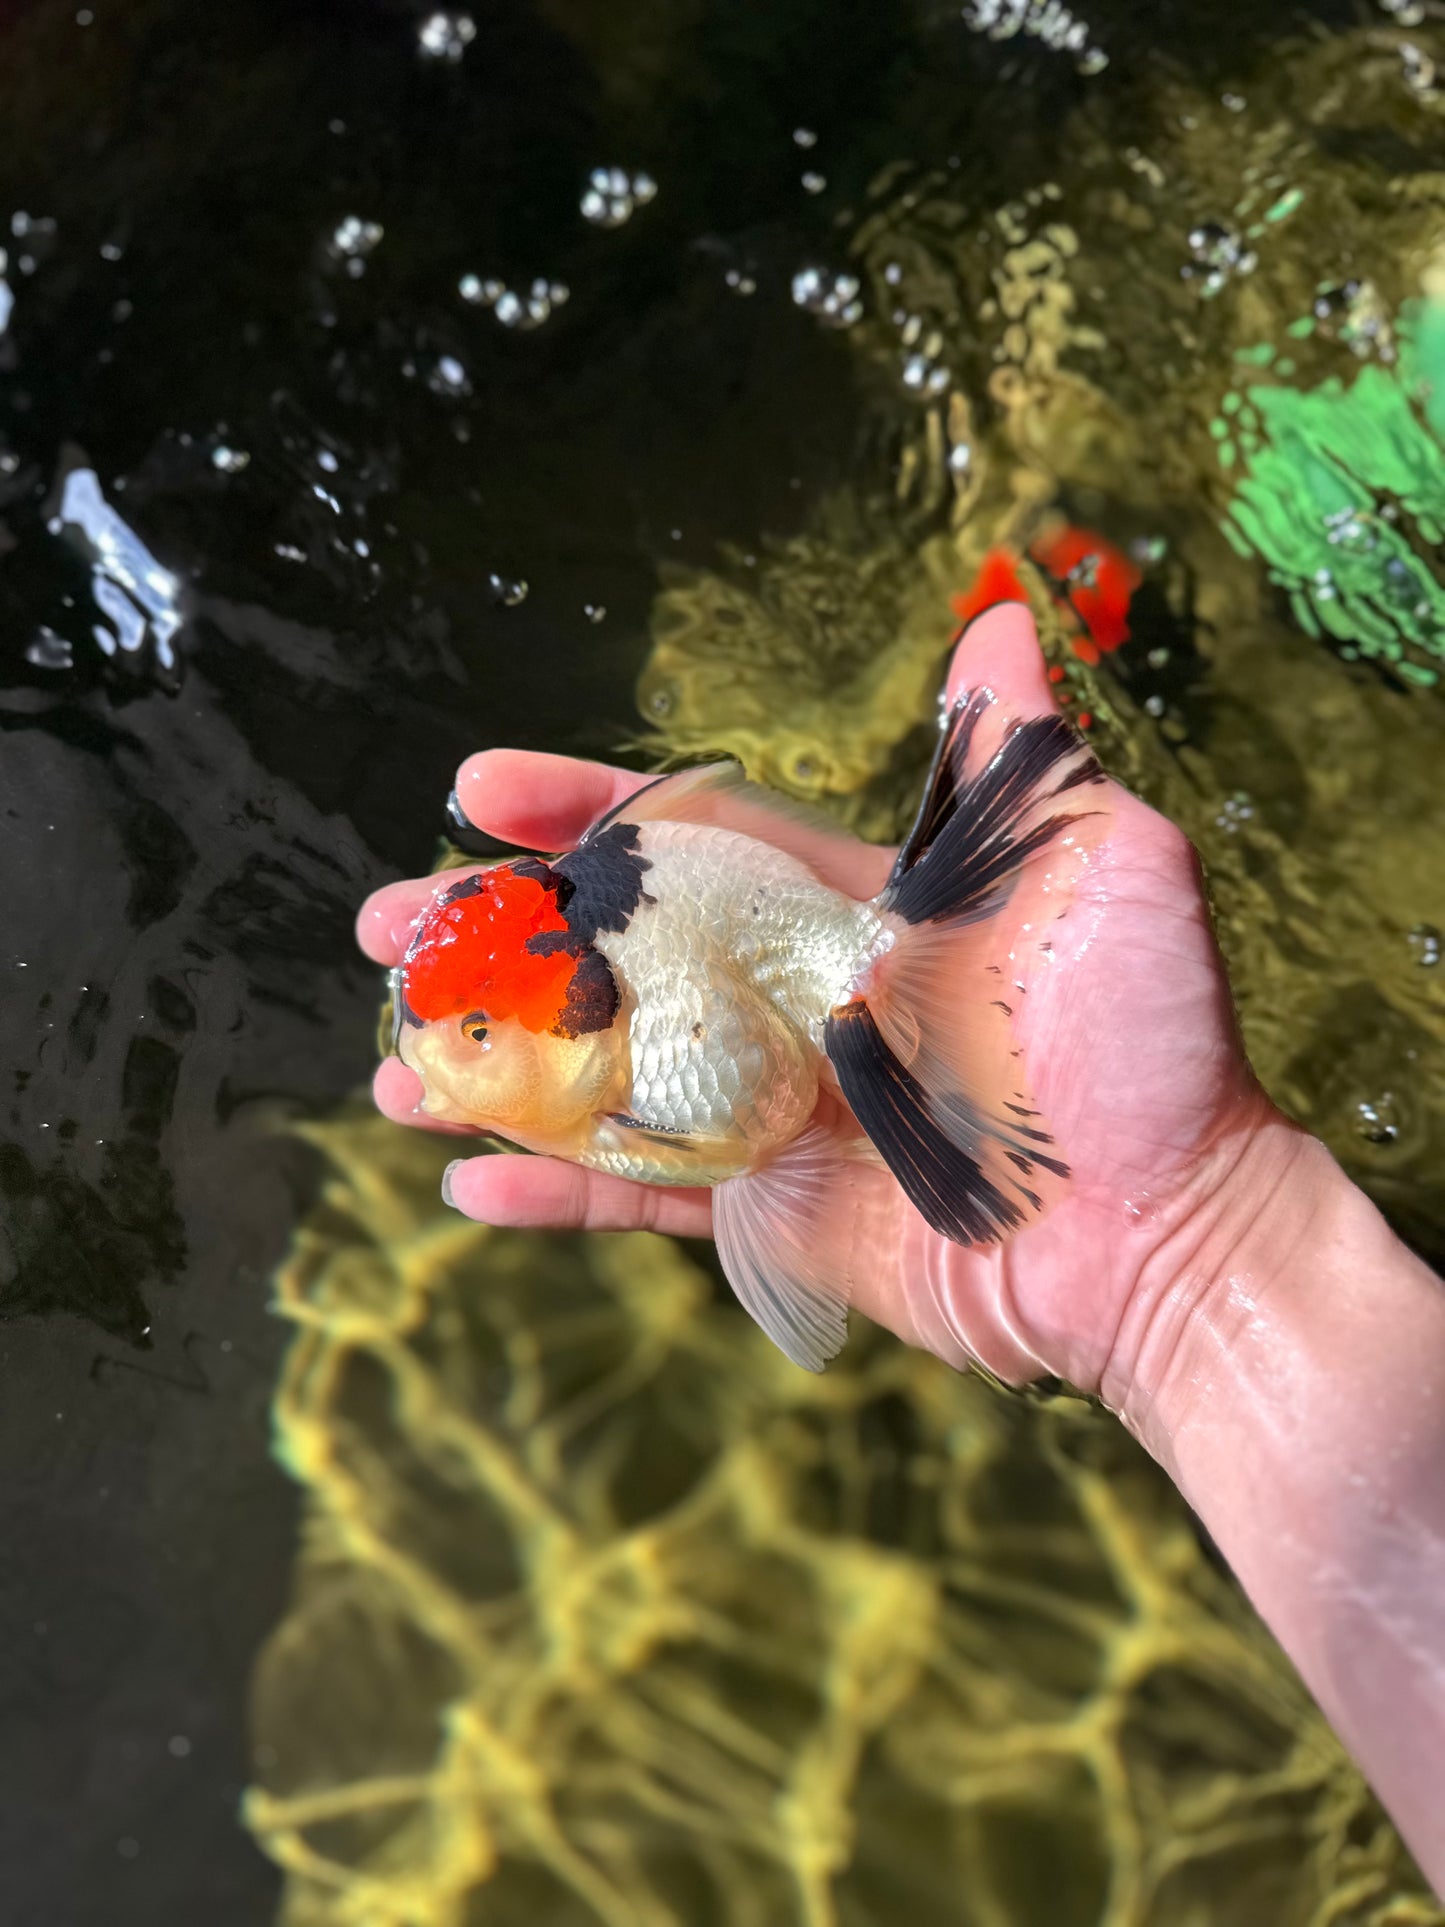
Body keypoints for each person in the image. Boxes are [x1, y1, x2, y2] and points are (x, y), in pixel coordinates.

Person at [358, 604, 1445, 1895]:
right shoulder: (591, 1026)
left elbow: (752, 1118)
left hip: (804, 985)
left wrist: (1189, 1254)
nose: (436, 1070)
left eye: (475, 1040)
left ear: (569, 1025)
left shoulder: (644, 1064)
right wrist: (1193, 1276)